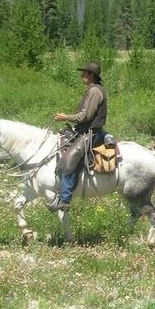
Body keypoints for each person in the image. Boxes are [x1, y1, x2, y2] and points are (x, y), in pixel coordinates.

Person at [48, 61, 107, 212]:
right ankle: (60, 192)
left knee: (69, 158)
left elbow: (85, 116)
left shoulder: (95, 92)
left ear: (91, 75)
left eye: (85, 73)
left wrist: (65, 117)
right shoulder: (92, 90)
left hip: (91, 133)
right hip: (85, 131)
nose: (82, 75)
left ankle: (65, 199)